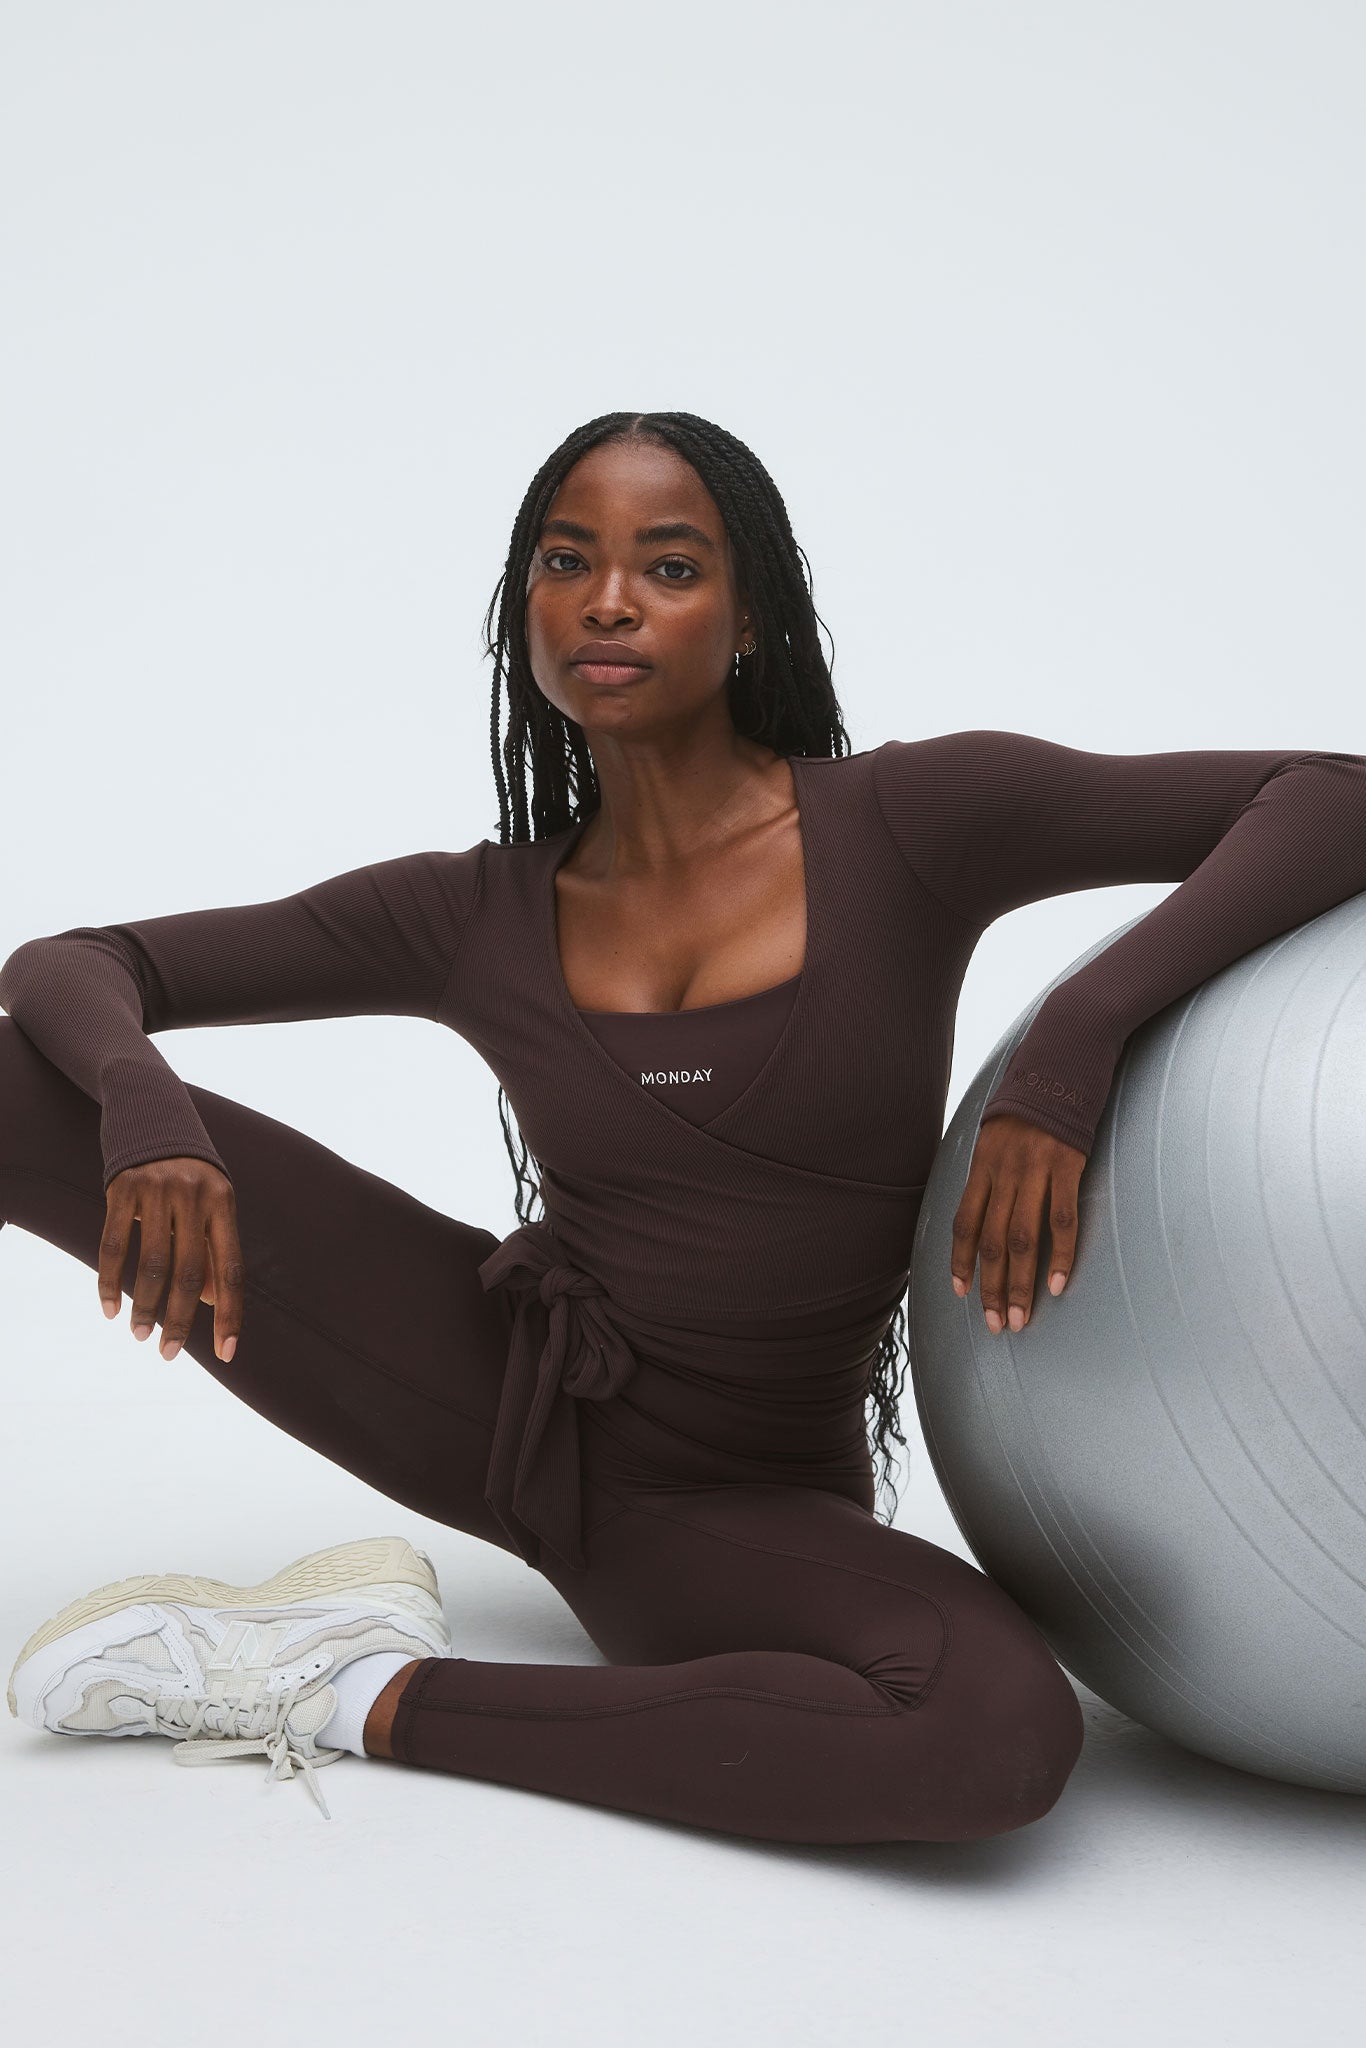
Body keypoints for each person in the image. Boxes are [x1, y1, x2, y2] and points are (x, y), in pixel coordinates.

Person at [4, 410, 1365, 1840]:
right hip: (492, 1390)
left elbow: (1331, 794)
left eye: (667, 567)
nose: (608, 601)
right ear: (522, 611)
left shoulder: (917, 820)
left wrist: (1075, 1042)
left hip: (719, 1509)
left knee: (993, 1732)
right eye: (566, 562)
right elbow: (77, 964)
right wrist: (146, 1116)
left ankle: (335, 1690)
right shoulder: (472, 912)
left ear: (750, 620)